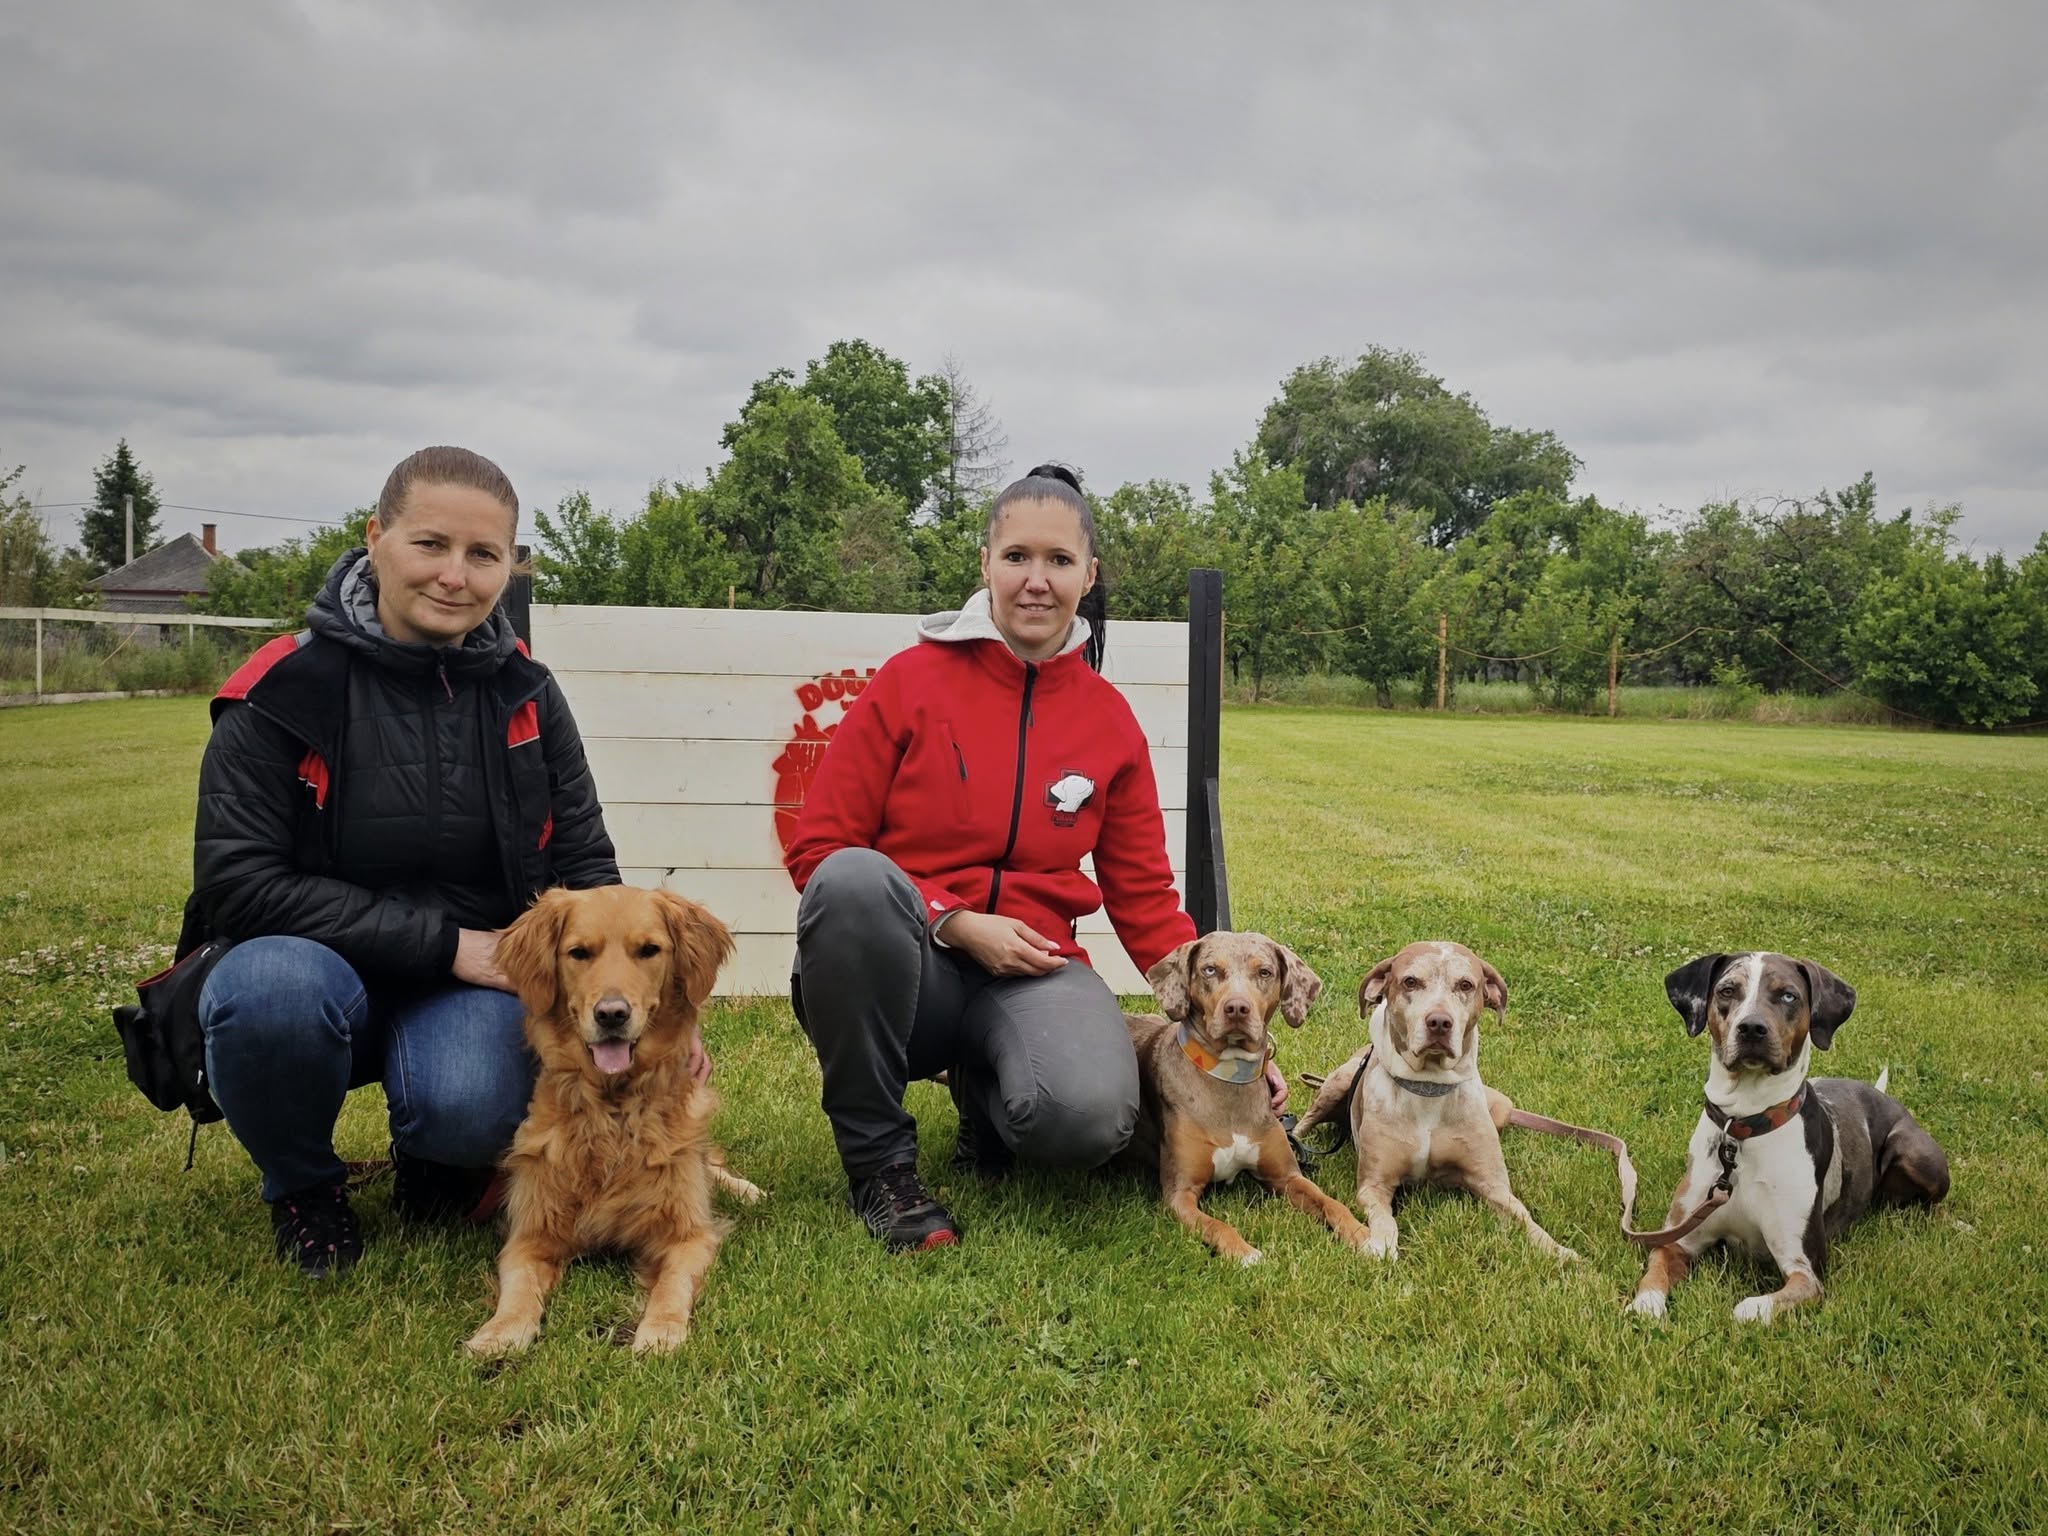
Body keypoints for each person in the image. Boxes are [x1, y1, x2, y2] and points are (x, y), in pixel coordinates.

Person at [784, 463, 1286, 1252]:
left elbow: (1146, 897)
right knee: (851, 879)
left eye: (1058, 561)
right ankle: (880, 1165)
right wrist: (951, 920)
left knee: (1090, 1119)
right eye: (1017, 556)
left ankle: (990, 1106)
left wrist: (1225, 1042)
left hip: (1034, 968)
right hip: (908, 967)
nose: (1036, 581)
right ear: (984, 564)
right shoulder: (908, 682)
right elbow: (818, 848)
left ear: (1089, 575)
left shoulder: (1108, 719)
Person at [186, 446, 626, 1277]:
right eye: (430, 544)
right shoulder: (280, 687)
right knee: (265, 995)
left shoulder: (528, 690)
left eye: (483, 554)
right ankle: (303, 1187)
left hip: (470, 986)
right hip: (320, 969)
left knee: (467, 1104)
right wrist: (449, 944)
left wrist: (638, 994)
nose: (455, 576)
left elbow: (585, 866)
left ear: (509, 565)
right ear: (376, 538)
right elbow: (238, 887)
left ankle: (440, 1163)